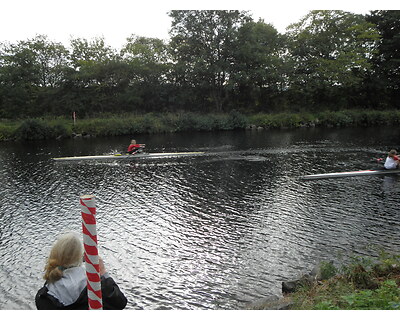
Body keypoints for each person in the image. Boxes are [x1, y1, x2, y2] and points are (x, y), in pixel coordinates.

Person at [35, 232, 127, 310]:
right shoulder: (93, 283)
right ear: (80, 256)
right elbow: (120, 303)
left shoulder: (46, 291)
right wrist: (102, 272)